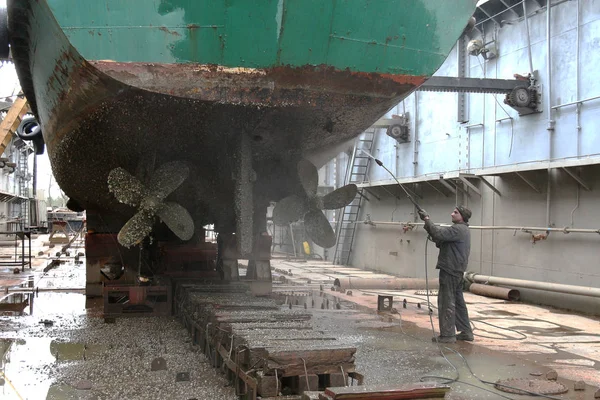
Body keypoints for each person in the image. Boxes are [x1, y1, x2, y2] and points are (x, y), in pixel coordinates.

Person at [418, 206, 473, 343]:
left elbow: (438, 234)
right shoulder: (463, 230)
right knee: (458, 302)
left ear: (462, 216)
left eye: (456, 212)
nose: (452, 214)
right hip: (457, 270)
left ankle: (447, 335)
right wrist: (429, 228)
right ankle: (466, 332)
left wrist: (426, 219)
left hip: (450, 270)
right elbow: (441, 239)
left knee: (446, 301)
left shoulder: (458, 229)